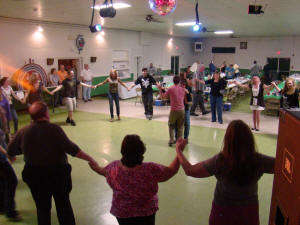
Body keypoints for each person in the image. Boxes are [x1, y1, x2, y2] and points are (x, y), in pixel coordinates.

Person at [7, 101, 98, 225]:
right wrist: (90, 159)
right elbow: (72, 149)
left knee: (42, 209)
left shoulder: (24, 131)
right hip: (58, 175)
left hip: (34, 175)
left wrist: (25, 149)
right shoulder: (54, 129)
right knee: (64, 206)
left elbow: (11, 150)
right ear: (46, 114)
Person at [175, 120, 275, 225]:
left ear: (228, 140)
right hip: (249, 212)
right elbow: (284, 166)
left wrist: (179, 150)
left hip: (223, 212)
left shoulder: (220, 161)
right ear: (249, 139)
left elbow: (190, 170)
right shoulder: (259, 160)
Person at [89, 134, 185, 225]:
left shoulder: (113, 167)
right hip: (146, 213)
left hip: (122, 213)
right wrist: (179, 151)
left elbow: (102, 171)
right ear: (141, 150)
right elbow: (171, 171)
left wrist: (95, 166)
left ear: (123, 151)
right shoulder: (150, 169)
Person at [158, 76, 186, 146]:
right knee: (180, 127)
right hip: (182, 110)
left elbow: (163, 97)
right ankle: (179, 141)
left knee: (171, 125)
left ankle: (171, 140)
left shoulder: (171, 88)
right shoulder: (182, 89)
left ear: (173, 81)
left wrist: (160, 89)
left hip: (174, 110)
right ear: (179, 81)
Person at [0, 139, 21, 222]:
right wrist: (8, 154)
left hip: (2, 160)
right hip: (1, 161)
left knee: (2, 182)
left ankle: (2, 207)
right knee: (12, 181)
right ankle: (10, 212)